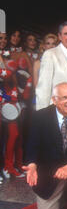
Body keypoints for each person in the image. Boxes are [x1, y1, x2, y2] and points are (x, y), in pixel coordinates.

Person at [0, 32, 32, 179]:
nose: (4, 41)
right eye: (0, 38)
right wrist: (5, 96)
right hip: (5, 101)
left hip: (11, 102)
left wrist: (17, 93)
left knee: (15, 134)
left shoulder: (6, 55)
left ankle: (12, 165)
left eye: (5, 38)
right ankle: (7, 167)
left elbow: (15, 77)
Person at [35, 21, 67, 110]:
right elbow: (43, 89)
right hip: (56, 110)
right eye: (66, 34)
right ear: (60, 36)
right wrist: (42, 115)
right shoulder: (50, 54)